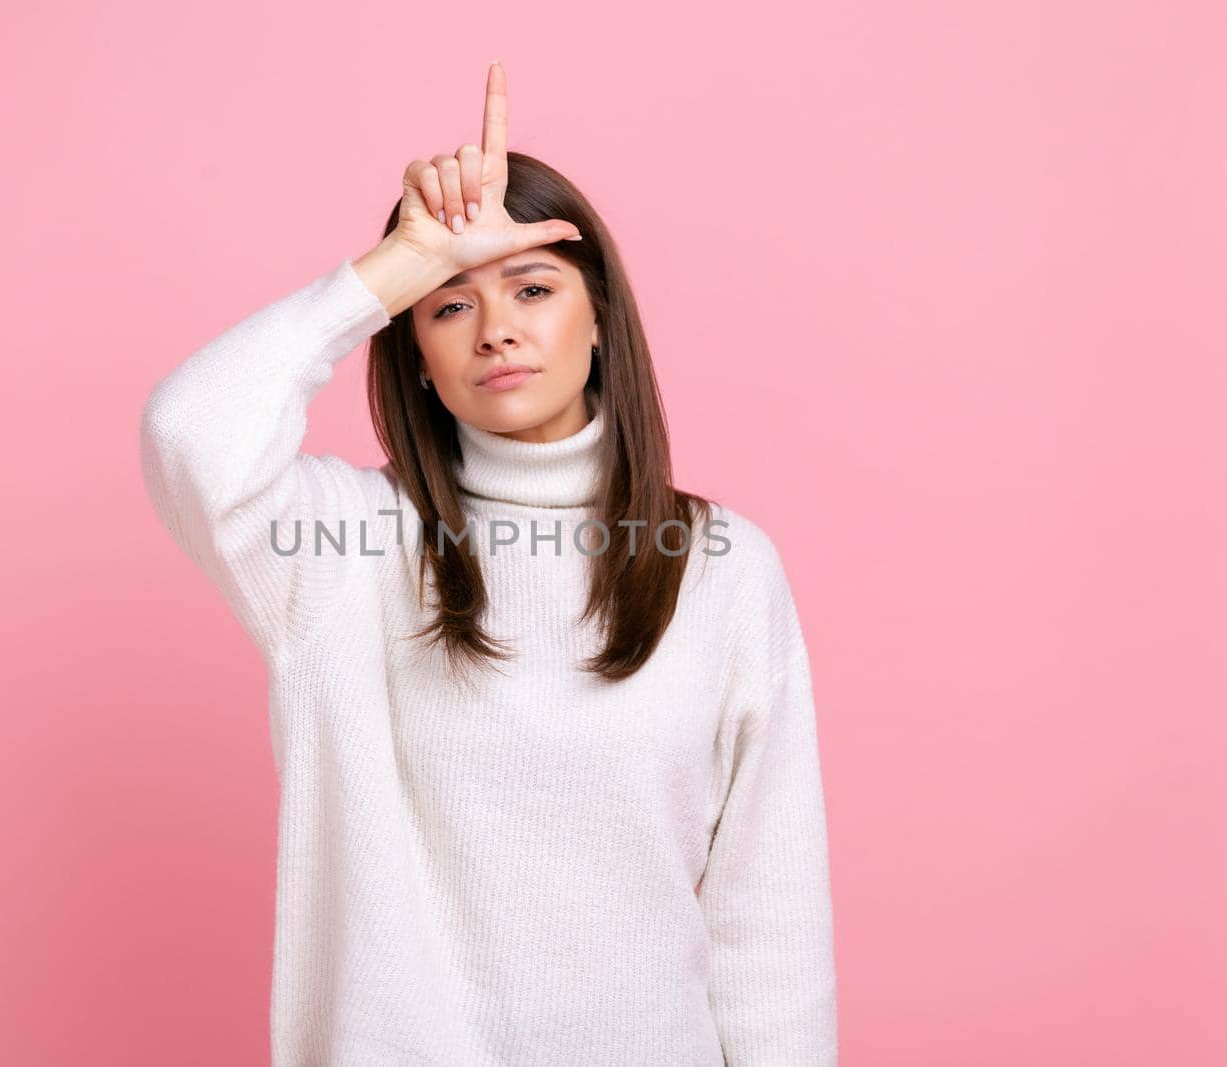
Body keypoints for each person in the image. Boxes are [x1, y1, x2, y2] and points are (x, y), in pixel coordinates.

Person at [139, 60, 837, 1066]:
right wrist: (391, 267)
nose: (497, 326)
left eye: (533, 287)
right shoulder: (348, 546)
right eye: (448, 305)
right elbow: (189, 431)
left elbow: (767, 917)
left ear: (599, 321)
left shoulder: (719, 567)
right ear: (414, 350)